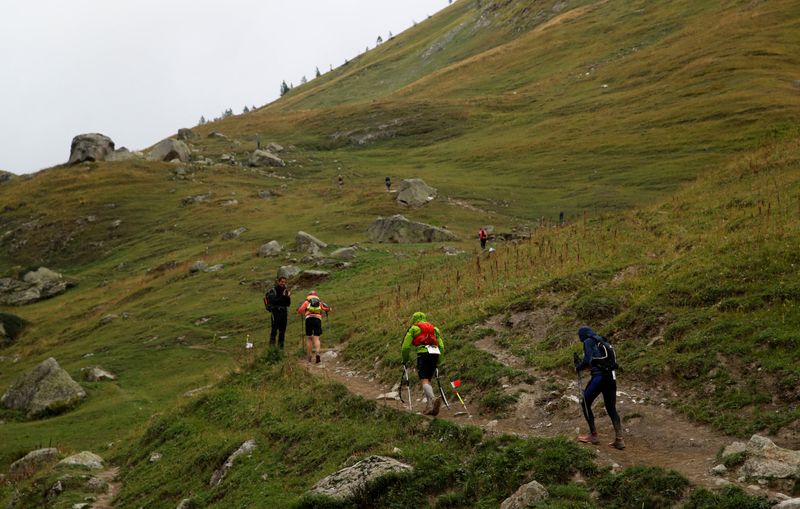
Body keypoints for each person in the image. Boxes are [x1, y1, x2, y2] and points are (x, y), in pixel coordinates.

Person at [574, 326, 625, 449]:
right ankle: (619, 440)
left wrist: (578, 366)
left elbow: (587, 361)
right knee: (611, 408)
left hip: (599, 378)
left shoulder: (588, 341)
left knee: (585, 403)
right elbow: (599, 361)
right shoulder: (603, 340)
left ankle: (594, 436)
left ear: (583, 335)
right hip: (611, 378)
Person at [401, 311, 445, 416]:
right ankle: (429, 407)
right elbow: (442, 346)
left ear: (414, 319)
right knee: (428, 380)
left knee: (424, 380)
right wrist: (439, 360)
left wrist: (405, 359)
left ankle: (434, 400)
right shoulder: (434, 329)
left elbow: (405, 346)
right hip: (435, 354)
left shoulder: (414, 329)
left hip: (423, 354)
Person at [297, 290, 332, 363]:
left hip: (308, 319)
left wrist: (300, 311)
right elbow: (327, 309)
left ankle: (309, 356)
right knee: (317, 338)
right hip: (317, 319)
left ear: (309, 295)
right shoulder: (319, 302)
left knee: (309, 338)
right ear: (316, 295)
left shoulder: (307, 302)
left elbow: (300, 311)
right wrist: (329, 309)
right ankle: (318, 353)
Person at [264, 277, 291, 349]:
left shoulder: (286, 291)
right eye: (282, 282)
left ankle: (280, 349)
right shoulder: (273, 290)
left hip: (284, 312)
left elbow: (288, 304)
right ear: (278, 282)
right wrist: (282, 296)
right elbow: (273, 301)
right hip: (275, 312)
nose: (283, 283)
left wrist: (287, 297)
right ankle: (272, 349)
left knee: (282, 331)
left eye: (284, 282)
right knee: (274, 331)